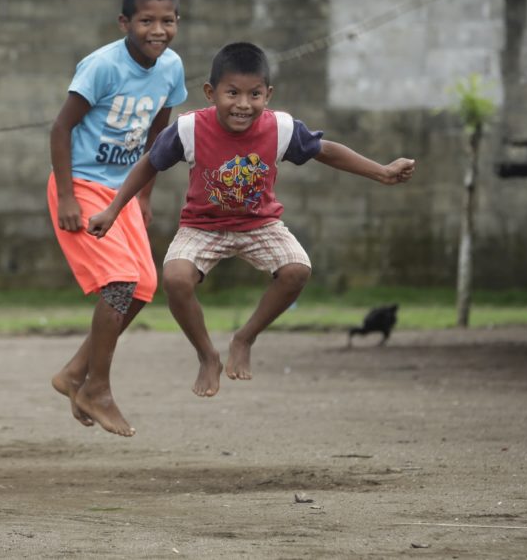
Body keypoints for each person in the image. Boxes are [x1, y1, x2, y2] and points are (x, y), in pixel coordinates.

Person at [87, 42, 415, 399]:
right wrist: (114, 209)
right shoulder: (189, 129)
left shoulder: (282, 129)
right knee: (176, 279)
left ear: (268, 95)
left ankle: (244, 338)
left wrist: (381, 171)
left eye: (254, 94)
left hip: (260, 224)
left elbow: (326, 151)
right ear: (211, 93)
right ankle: (206, 355)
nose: (243, 104)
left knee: (297, 269)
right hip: (202, 225)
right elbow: (149, 162)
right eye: (232, 93)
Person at [47, 0, 187, 437]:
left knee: (144, 285)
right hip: (83, 185)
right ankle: (97, 388)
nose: (158, 30)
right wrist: (67, 195)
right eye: (147, 20)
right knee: (119, 281)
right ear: (126, 21)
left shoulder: (171, 68)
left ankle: (73, 373)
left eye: (167, 20)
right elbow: (60, 129)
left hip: (122, 191)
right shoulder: (101, 66)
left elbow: (159, 137)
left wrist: (143, 194)